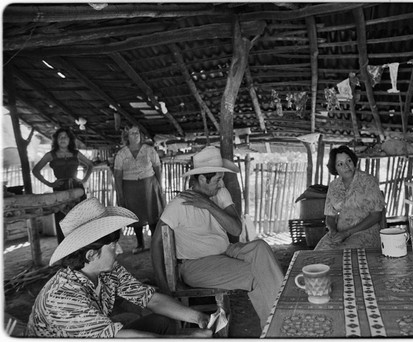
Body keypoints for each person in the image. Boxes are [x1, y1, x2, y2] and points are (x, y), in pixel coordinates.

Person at [25, 198, 212, 338]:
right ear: (91, 255)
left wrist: (198, 318)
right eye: (114, 245)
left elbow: (150, 299)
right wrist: (186, 337)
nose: (120, 250)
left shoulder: (109, 270)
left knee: (162, 322)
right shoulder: (63, 298)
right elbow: (123, 338)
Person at [151, 146, 284, 329]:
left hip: (226, 252)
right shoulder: (179, 205)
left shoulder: (219, 194)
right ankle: (277, 326)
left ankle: (280, 314)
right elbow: (156, 242)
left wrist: (208, 205)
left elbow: (236, 229)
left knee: (260, 246)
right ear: (203, 178)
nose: (221, 184)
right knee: (258, 273)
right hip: (196, 265)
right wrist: (162, 284)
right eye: (218, 179)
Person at [315, 145, 385, 250]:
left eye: (349, 161)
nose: (346, 166)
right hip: (340, 233)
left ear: (353, 161)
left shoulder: (368, 181)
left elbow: (376, 215)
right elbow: (330, 216)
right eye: (340, 164)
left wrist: (347, 233)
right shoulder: (334, 186)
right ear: (335, 168)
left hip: (366, 232)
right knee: (318, 253)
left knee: (341, 253)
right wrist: (333, 231)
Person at [32, 128, 93, 243]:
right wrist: (49, 183)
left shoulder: (76, 154)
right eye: (60, 137)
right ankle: (66, 255)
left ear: (70, 140)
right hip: (60, 190)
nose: (63, 139)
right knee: (63, 222)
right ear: (56, 140)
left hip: (77, 190)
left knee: (79, 220)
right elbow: (35, 170)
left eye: (65, 136)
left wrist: (84, 180)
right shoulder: (51, 155)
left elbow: (90, 165)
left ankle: (81, 252)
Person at [114, 125, 165, 254]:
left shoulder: (149, 150)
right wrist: (120, 194)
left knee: (152, 213)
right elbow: (118, 175)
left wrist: (159, 185)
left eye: (137, 133)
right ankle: (140, 244)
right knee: (135, 215)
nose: (135, 135)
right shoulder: (121, 154)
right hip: (130, 188)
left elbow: (157, 168)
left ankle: (155, 243)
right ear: (127, 136)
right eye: (132, 133)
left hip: (149, 185)